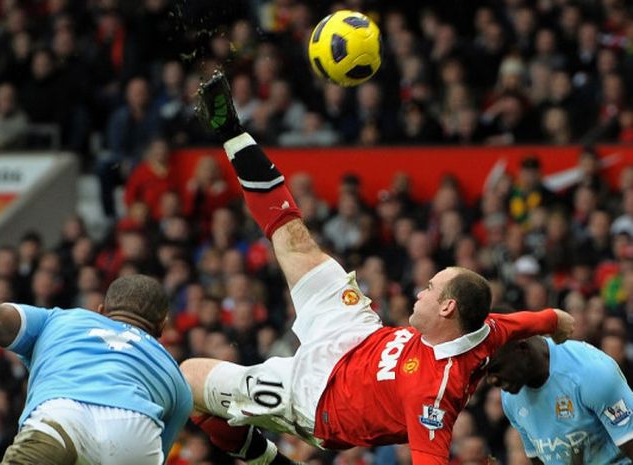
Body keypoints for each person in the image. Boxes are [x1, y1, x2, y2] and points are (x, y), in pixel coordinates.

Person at [179, 70, 575, 465]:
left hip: (319, 399)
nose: (421, 290)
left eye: (431, 288)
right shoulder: (484, 329)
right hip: (357, 332)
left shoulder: (433, 393)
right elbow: (529, 321)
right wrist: (556, 319)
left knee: (188, 377)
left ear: (447, 308)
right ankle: (232, 131)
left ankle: (268, 461)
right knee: (296, 241)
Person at [0, 274, 192, 465]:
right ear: (161, 327)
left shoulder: (61, 319)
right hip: (135, 435)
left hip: (64, 416)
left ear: (101, 312)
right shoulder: (176, 378)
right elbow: (159, 450)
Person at [486, 336, 633, 464]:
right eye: (485, 372)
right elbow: (539, 459)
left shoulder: (591, 373)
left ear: (522, 349)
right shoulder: (510, 397)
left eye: (497, 368)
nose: (491, 380)